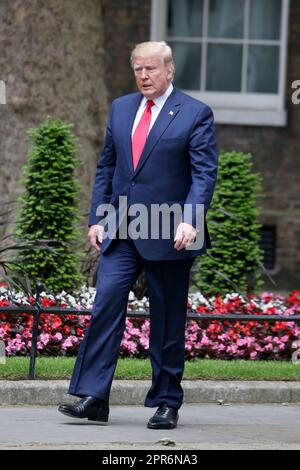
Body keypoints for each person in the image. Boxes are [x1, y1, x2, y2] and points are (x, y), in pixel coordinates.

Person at [58, 41, 218, 429]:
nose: (144, 76)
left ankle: (166, 401)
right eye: (138, 70)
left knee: (166, 319)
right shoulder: (121, 108)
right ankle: (94, 397)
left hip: (170, 229)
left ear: (169, 71)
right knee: (106, 305)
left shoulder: (195, 114)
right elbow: (107, 166)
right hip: (122, 228)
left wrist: (190, 219)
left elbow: (203, 173)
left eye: (151, 69)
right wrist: (98, 217)